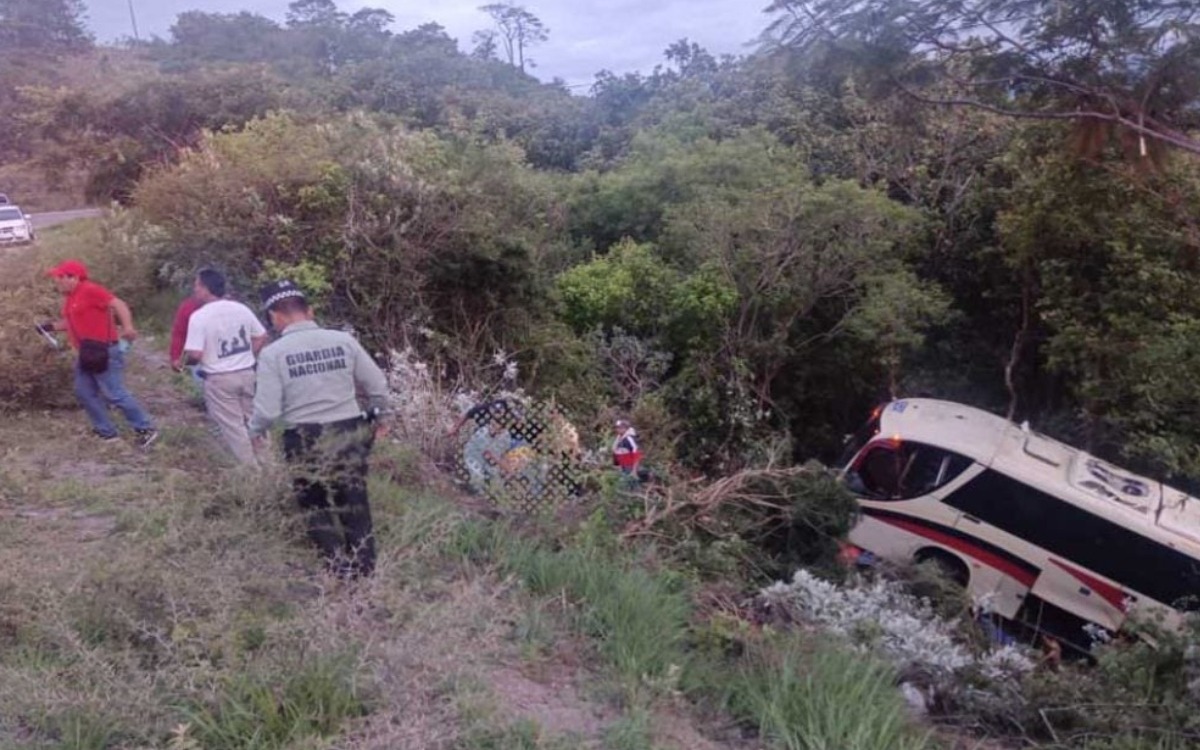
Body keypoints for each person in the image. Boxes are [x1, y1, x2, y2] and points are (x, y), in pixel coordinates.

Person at [248, 280, 390, 579]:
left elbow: (268, 411)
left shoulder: (273, 354)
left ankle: (338, 570)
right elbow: (378, 386)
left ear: (275, 316)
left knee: (315, 504)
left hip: (304, 436)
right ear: (309, 311)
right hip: (349, 430)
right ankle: (365, 571)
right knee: (354, 501)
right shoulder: (343, 341)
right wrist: (380, 416)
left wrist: (255, 430)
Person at [42, 259, 158, 447]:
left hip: (104, 350)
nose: (57, 281)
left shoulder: (90, 290)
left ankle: (146, 429)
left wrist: (128, 327)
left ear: (74, 277)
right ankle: (106, 432)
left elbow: (119, 304)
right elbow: (71, 322)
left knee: (114, 393)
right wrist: (49, 327)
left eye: (60, 277)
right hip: (86, 353)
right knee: (84, 392)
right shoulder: (71, 297)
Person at [179, 269, 269, 465]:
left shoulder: (199, 316)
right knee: (254, 420)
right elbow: (261, 336)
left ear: (206, 288)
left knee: (233, 427)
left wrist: (184, 363)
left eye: (197, 285)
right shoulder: (241, 309)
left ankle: (251, 471)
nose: (195, 290)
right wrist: (248, 356)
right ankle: (268, 462)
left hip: (219, 378)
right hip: (247, 373)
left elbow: (195, 354)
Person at [169, 288, 206, 391]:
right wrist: (175, 357)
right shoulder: (188, 307)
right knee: (203, 390)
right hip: (198, 358)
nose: (196, 290)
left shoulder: (226, 307)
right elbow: (179, 333)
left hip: (224, 358)